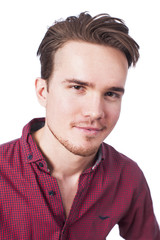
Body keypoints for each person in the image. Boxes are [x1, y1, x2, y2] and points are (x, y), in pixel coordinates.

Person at [0, 12, 159, 240]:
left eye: (111, 93)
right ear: (43, 92)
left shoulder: (127, 177)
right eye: (77, 88)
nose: (95, 112)